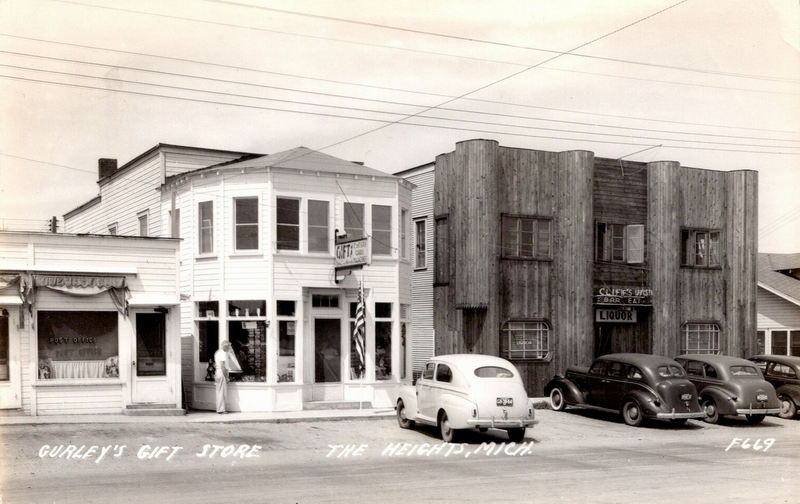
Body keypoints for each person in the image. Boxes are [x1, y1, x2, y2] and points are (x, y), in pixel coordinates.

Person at [213, 341, 231, 414]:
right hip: (221, 373)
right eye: (228, 347)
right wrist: (226, 377)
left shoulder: (218, 352)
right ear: (225, 346)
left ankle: (220, 408)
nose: (229, 348)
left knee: (219, 391)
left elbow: (216, 364)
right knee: (222, 392)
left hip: (218, 373)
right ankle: (221, 409)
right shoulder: (222, 353)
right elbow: (222, 366)